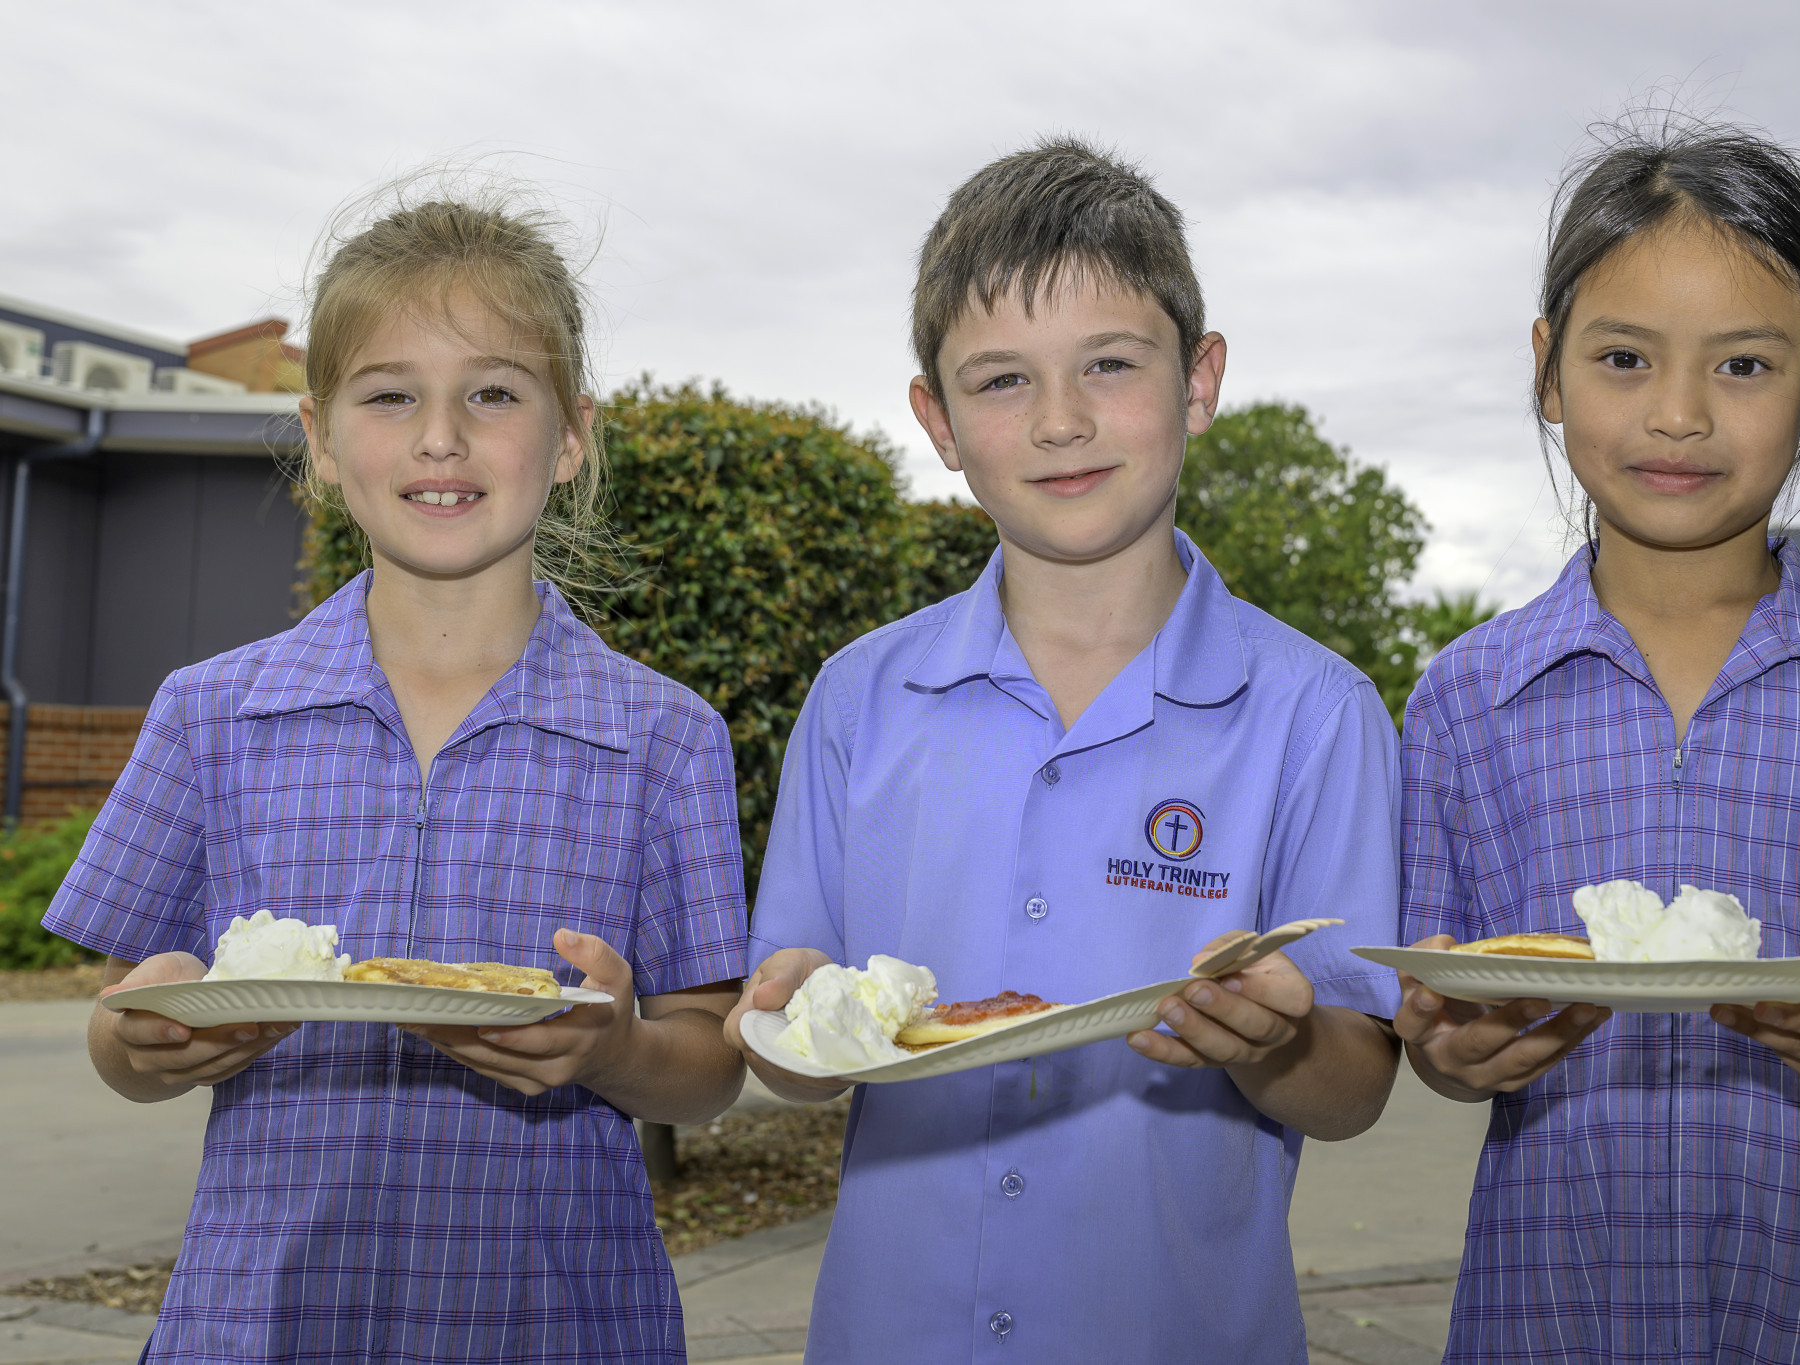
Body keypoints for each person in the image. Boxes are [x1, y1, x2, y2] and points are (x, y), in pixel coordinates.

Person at [723, 137, 1404, 1362]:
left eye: (1109, 363)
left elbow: (1352, 1087)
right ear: (934, 419)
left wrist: (1281, 1040)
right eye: (998, 381)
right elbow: (801, 1060)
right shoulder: (858, 700)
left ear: (1197, 382)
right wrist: (787, 1027)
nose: (1060, 421)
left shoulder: (1316, 713)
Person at [43, 186, 749, 1363]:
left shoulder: (663, 736)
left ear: (570, 435)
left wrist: (617, 1050)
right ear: (319, 441)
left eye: (491, 392)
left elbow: (710, 1065)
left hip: (556, 1326)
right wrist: (151, 1038)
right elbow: (123, 1034)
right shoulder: (210, 714)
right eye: (389, 395)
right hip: (264, 1321)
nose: (441, 437)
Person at [1397, 119, 1800, 1364]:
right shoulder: (1460, 699)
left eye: (1743, 365)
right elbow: (1442, 1038)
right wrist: (1454, 1052)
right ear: (1546, 371)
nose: (1678, 414)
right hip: (1551, 1320)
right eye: (1623, 357)